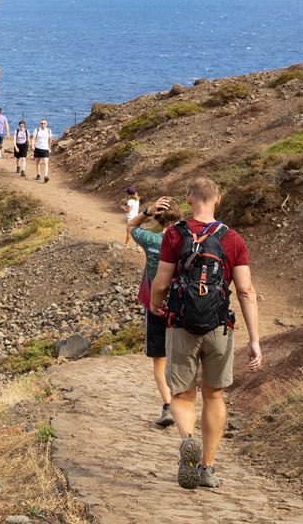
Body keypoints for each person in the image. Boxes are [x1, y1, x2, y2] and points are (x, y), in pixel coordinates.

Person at [149, 177, 262, 490]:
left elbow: (160, 283)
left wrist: (157, 306)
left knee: (183, 394)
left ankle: (188, 439)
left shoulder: (175, 234)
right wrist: (254, 340)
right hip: (218, 327)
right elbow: (246, 290)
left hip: (182, 324)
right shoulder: (233, 239)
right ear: (218, 199)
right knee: (214, 395)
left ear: (188, 199)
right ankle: (208, 467)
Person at [129, 194, 178, 429]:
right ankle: (185, 402)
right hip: (184, 308)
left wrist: (147, 210)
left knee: (160, 360)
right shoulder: (189, 239)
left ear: (159, 219)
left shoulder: (151, 240)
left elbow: (130, 226)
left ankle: (168, 405)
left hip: (156, 306)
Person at [125, 188, 143, 252]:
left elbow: (129, 211)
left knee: (129, 232)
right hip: (136, 217)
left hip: (131, 218)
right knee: (136, 232)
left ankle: (126, 245)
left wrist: (122, 208)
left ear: (129, 194)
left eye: (126, 193)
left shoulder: (129, 201)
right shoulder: (137, 200)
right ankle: (139, 247)